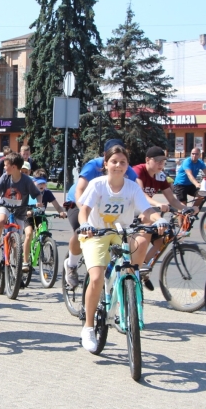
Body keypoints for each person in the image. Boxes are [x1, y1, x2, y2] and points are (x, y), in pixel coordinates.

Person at [76, 144, 167, 353]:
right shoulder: (97, 185)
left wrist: (159, 219)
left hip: (121, 233)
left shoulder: (132, 187)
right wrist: (85, 224)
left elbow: (146, 210)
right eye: (114, 161)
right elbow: (85, 211)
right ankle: (88, 327)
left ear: (128, 165)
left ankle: (128, 288)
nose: (118, 165)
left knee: (141, 243)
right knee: (97, 278)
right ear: (106, 164)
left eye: (123, 162)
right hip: (96, 233)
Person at [63, 139, 138, 288]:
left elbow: (135, 191)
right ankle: (71, 264)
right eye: (113, 157)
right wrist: (84, 212)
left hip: (104, 205)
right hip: (79, 201)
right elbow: (80, 189)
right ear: (105, 156)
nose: (118, 162)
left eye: (122, 157)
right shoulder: (93, 165)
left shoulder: (125, 167)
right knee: (80, 231)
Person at [132, 146, 196, 290]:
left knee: (161, 240)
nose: (161, 164)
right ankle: (137, 266)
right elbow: (140, 194)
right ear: (148, 160)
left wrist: (186, 209)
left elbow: (172, 200)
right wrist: (157, 204)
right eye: (158, 161)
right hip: (130, 211)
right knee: (148, 226)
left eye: (163, 162)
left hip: (145, 210)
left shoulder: (160, 176)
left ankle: (142, 267)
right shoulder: (138, 171)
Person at [0, 152, 43, 272]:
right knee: (0, 221)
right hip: (5, 206)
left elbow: (38, 194)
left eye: (6, 165)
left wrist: (39, 202)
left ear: (14, 167)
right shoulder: (5, 177)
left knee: (17, 245)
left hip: (19, 211)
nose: (4, 167)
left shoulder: (26, 181)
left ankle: (17, 273)